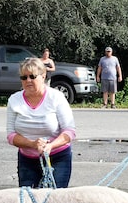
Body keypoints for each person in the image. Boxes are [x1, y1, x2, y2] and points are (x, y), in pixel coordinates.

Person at [6, 57, 76, 188]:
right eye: (24, 77)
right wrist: (32, 144)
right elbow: (10, 136)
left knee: (54, 202)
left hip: (58, 158)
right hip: (27, 160)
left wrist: (51, 146)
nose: (28, 81)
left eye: (32, 76)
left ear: (43, 76)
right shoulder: (14, 100)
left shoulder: (56, 97)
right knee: (28, 202)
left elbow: (70, 132)